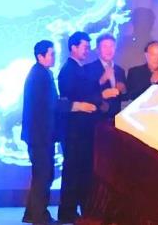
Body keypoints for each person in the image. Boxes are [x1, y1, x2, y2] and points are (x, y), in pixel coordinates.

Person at [21, 40, 96, 225]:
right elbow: (52, 104)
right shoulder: (40, 75)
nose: (54, 57)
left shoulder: (41, 73)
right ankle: (40, 217)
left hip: (40, 135)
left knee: (41, 174)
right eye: (51, 54)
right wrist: (78, 105)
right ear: (40, 56)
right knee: (44, 175)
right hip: (40, 135)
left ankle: (31, 213)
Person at [57, 32, 100, 223]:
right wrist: (82, 105)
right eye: (84, 46)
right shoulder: (68, 70)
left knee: (82, 171)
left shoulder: (79, 68)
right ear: (73, 47)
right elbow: (66, 101)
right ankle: (68, 212)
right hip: (73, 131)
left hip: (82, 131)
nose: (87, 50)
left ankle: (80, 209)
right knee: (73, 172)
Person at [84, 34, 127, 118]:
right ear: (98, 50)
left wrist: (124, 90)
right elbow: (85, 95)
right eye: (105, 46)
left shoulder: (120, 70)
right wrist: (101, 80)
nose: (109, 50)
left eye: (111, 46)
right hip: (95, 119)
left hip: (116, 118)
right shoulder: (87, 69)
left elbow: (124, 97)